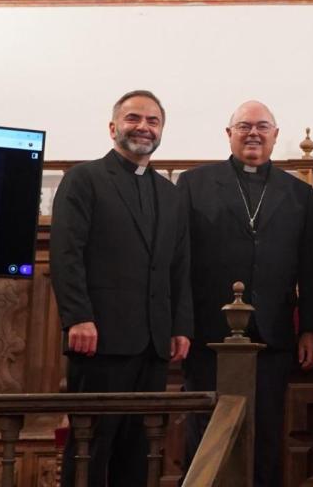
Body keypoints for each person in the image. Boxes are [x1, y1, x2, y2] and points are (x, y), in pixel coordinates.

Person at [51, 90, 192, 487]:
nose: (143, 127)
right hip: (99, 340)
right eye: (134, 118)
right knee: (90, 448)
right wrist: (78, 317)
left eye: (153, 121)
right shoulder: (84, 179)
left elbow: (179, 265)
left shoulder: (170, 194)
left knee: (139, 453)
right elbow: (66, 253)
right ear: (113, 127)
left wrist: (180, 326)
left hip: (153, 344)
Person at [178, 100, 313, 487]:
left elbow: (309, 267)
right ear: (229, 134)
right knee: (204, 436)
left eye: (262, 126)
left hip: (271, 335)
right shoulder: (194, 184)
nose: (253, 133)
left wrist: (311, 328)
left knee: (266, 435)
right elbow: (180, 262)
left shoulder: (298, 192)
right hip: (208, 335)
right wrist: (180, 326)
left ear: (276, 135)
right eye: (244, 126)